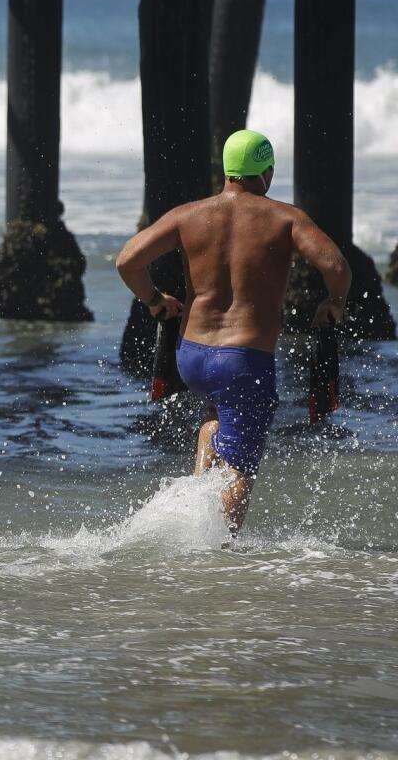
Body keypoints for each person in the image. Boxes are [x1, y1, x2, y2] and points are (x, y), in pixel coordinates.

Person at [116, 129, 351, 534]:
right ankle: (219, 556)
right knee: (241, 471)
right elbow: (336, 266)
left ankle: (198, 484)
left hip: (192, 357)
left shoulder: (188, 215)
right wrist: (335, 303)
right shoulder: (284, 218)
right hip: (243, 361)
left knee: (216, 413)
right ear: (266, 171)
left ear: (227, 171)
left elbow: (127, 262)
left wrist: (155, 301)